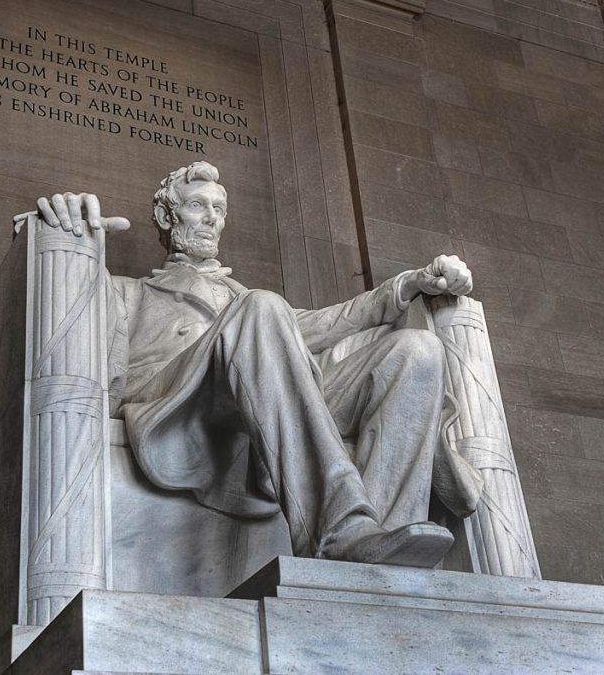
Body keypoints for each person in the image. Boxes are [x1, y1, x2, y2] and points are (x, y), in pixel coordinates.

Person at [34, 161, 482, 566]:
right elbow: (65, 309)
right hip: (178, 401)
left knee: (416, 352)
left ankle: (383, 542)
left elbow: (330, 323)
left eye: (219, 209)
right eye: (196, 206)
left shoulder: (250, 305)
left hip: (253, 393)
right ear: (168, 218)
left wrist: (409, 285)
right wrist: (60, 225)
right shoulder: (128, 292)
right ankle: (341, 529)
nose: (212, 219)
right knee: (263, 307)